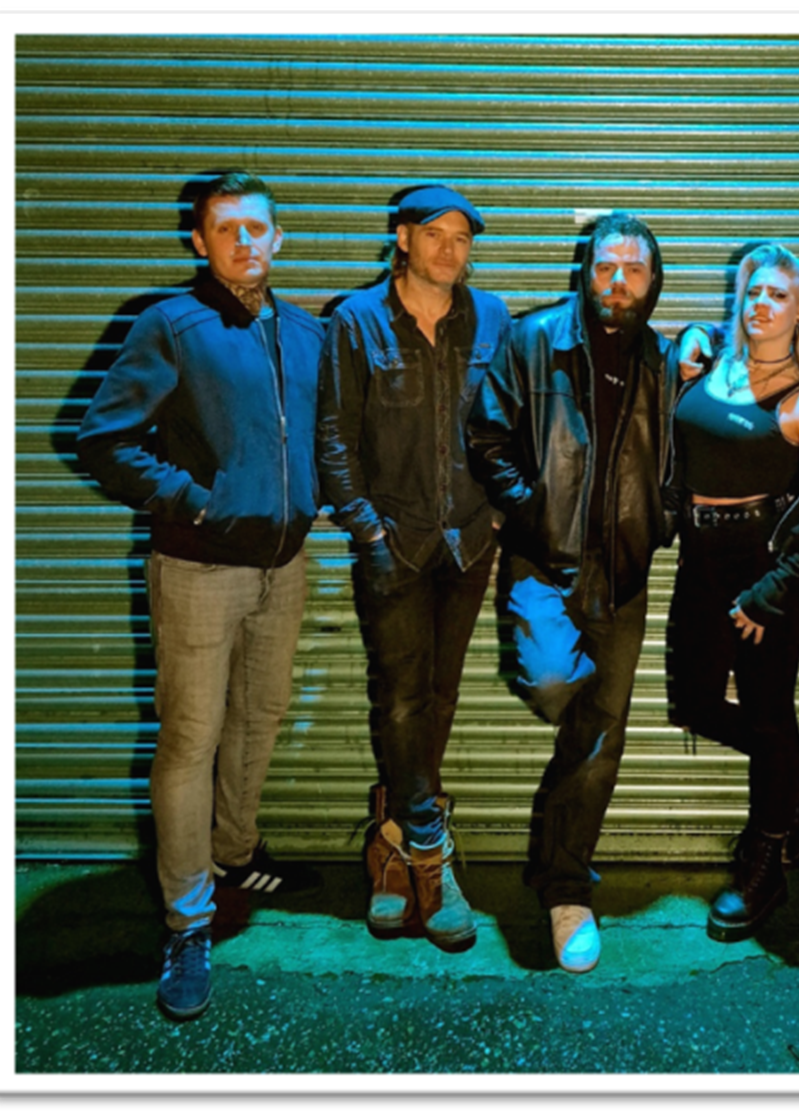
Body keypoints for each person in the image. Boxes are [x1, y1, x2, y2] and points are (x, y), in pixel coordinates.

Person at [76, 172, 325, 1021]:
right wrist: (193, 499)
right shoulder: (171, 323)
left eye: (257, 228)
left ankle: (234, 852)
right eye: (226, 230)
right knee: (190, 737)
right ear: (199, 241)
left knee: (260, 717)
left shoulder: (305, 330)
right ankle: (188, 919)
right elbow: (104, 437)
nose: (244, 243)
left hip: (284, 566)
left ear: (279, 237)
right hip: (197, 568)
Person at [465, 213, 679, 974]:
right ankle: (563, 841)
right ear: (584, 271)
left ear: (654, 282)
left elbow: (681, 453)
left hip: (623, 575)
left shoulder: (663, 360)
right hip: (543, 562)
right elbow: (486, 435)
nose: (618, 283)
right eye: (606, 267)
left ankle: (565, 888)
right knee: (556, 681)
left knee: (600, 741)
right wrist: (531, 509)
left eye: (634, 270)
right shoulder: (533, 340)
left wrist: (663, 518)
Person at [316, 185, 511, 952]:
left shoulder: (491, 317)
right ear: (403, 238)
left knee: (440, 692)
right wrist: (365, 526)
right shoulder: (356, 320)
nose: (450, 250)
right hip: (393, 541)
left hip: (468, 539)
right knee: (400, 696)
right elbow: (335, 432)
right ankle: (431, 853)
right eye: (435, 234)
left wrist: (498, 512)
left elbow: (515, 416)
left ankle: (391, 845)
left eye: (462, 238)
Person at [664, 244, 799, 943]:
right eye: (752, 291)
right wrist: (686, 339)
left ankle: (766, 861)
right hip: (699, 555)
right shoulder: (709, 365)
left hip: (764, 563)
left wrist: (773, 590)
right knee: (693, 701)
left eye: (778, 295)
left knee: (769, 714)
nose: (761, 305)